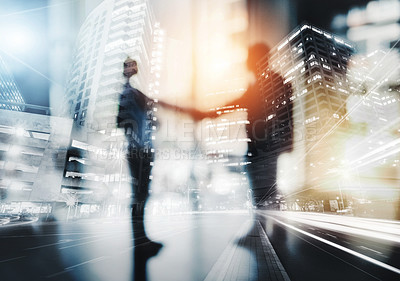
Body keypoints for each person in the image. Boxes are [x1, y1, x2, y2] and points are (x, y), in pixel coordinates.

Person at [118, 57, 202, 248]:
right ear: (125, 70)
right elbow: (130, 118)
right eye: (129, 65)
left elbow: (127, 121)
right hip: (139, 150)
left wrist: (147, 122)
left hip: (139, 148)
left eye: (134, 65)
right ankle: (140, 241)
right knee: (140, 194)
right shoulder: (131, 93)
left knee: (141, 193)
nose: (132, 68)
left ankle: (140, 239)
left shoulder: (130, 94)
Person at [196, 43, 293, 206]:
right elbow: (241, 102)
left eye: (249, 58)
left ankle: (272, 219)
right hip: (261, 146)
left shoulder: (272, 83)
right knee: (262, 188)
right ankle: (270, 218)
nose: (246, 62)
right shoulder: (262, 82)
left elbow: (244, 103)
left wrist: (208, 114)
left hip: (265, 147)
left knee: (263, 189)